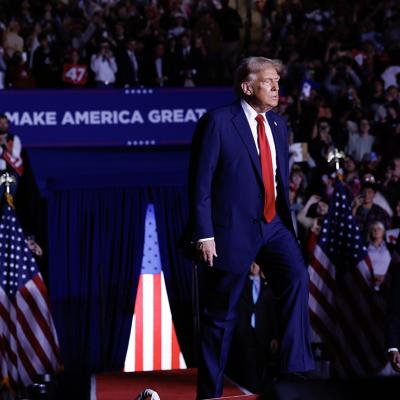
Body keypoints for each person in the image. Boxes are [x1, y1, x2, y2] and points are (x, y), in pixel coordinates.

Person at [186, 57, 315, 399]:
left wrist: (287, 227)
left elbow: (276, 179)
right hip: (230, 232)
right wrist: (204, 233)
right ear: (247, 87)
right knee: (221, 316)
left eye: (277, 81)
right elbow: (199, 183)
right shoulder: (218, 122)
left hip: (273, 226)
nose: (276, 87)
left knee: (297, 276)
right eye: (269, 81)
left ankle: (289, 369)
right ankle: (210, 392)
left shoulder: (278, 125)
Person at [226, 262, 278, 393]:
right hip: (244, 333)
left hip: (262, 333)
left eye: (256, 264)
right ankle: (248, 391)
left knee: (261, 365)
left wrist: (274, 336)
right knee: (247, 366)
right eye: (251, 264)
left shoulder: (267, 286)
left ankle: (258, 391)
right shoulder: (240, 284)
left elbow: (273, 313)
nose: (253, 267)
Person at [0, 113, 23, 201]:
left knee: (10, 197)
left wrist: (5, 143)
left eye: (5, 123)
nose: (2, 125)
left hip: (11, 172)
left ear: (8, 124)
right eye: (0, 123)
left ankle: (9, 214)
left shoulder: (14, 138)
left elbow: (16, 154)